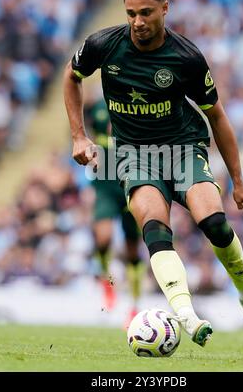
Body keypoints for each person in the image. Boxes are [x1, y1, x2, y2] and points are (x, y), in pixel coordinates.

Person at [63, 0, 243, 346]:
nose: (137, 22)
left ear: (165, 8)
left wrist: (239, 182)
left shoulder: (187, 57)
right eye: (131, 13)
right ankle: (186, 316)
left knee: (214, 223)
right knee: (154, 227)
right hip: (132, 154)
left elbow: (217, 116)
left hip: (183, 147)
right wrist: (78, 134)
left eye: (146, 13)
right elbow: (72, 75)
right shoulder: (103, 44)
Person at [84, 96, 145, 322]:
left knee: (132, 249)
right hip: (105, 185)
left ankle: (135, 305)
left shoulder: (138, 102)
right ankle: (107, 281)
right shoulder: (97, 106)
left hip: (131, 183)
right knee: (103, 238)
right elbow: (84, 132)